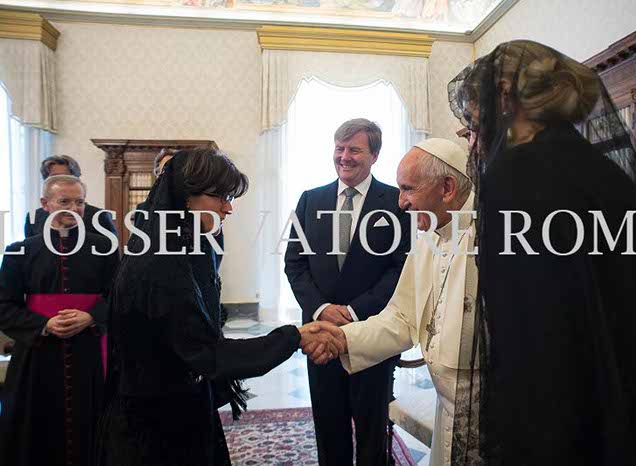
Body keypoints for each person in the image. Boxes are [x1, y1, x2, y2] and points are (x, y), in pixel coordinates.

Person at [444, 39, 636, 465]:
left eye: (475, 117)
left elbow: (529, 327)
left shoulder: (514, 174)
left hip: (567, 414)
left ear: (504, 95)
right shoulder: (604, 171)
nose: (475, 135)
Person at [95, 148, 337, 466]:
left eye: (230, 197)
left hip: (176, 408)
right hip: (156, 428)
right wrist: (294, 337)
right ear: (185, 197)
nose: (229, 208)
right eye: (219, 197)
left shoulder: (177, 245)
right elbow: (208, 355)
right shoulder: (161, 265)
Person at [304, 137, 479, 466]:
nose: (401, 202)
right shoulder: (428, 238)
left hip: (489, 408)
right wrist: (342, 338)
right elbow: (402, 318)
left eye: (408, 189)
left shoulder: (495, 236)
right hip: (447, 405)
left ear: (447, 188)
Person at [284, 118, 411, 466]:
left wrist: (354, 311)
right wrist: (321, 308)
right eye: (339, 148)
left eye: (354, 149)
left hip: (371, 332)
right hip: (320, 333)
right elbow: (294, 263)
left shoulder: (397, 202)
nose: (344, 157)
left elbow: (401, 268)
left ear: (374, 155)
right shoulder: (310, 200)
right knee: (329, 426)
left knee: (372, 429)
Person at [0, 175, 120, 466]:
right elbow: (4, 306)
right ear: (45, 204)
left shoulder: (104, 248)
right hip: (38, 354)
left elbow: (120, 297)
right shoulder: (20, 251)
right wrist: (43, 324)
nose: (73, 208)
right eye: (64, 201)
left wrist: (91, 316)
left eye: (79, 202)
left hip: (91, 351)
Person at [24, 155, 118, 239]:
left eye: (65, 177)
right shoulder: (34, 217)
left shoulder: (99, 216)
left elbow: (111, 249)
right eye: (54, 178)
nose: (60, 182)